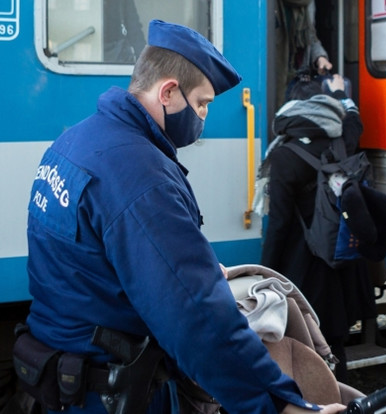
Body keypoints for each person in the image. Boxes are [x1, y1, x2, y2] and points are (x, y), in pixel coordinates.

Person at [20, 20, 344, 414]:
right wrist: (280, 404)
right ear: (169, 92)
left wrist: (180, 269)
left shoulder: (73, 142)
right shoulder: (140, 175)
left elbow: (90, 267)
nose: (204, 116)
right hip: (111, 393)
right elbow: (199, 319)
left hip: (60, 376)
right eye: (203, 103)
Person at [260, 74, 376, 383]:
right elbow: (354, 121)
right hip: (341, 260)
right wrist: (340, 94)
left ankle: (319, 398)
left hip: (305, 268)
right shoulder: (341, 139)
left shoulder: (284, 155)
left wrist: (265, 272)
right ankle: (341, 395)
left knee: (305, 347)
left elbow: (280, 223)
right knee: (336, 343)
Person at [275, 0, 333, 106]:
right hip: (277, 79)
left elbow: (310, 35)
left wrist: (320, 57)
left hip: (300, 78)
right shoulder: (270, 4)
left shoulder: (308, 3)